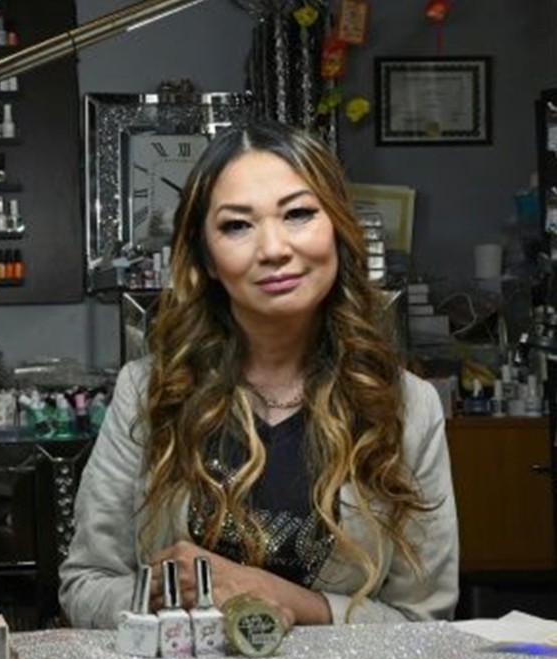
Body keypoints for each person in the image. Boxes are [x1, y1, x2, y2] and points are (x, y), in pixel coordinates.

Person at [58, 119, 458, 629]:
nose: (273, 249)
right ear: (206, 257)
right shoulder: (148, 393)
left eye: (298, 214)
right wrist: (170, 592)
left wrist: (280, 597)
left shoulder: (405, 407)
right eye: (237, 225)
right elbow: (85, 585)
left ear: (337, 228)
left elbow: (423, 619)